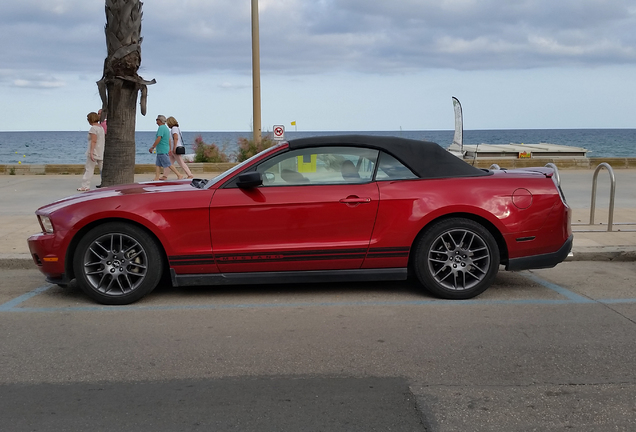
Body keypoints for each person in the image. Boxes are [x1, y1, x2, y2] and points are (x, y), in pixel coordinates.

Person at [78, 112, 105, 191]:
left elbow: (93, 141)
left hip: (94, 152)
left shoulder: (93, 128)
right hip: (101, 151)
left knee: (89, 169)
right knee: (102, 169)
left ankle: (85, 186)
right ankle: (106, 184)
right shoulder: (101, 128)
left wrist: (91, 152)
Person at [149, 115, 182, 180]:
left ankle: (179, 174)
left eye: (157, 120)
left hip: (162, 149)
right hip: (163, 149)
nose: (156, 121)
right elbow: (169, 139)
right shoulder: (166, 129)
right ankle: (157, 177)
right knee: (158, 164)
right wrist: (169, 148)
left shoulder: (161, 128)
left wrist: (153, 147)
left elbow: (159, 138)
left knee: (168, 164)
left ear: (160, 120)